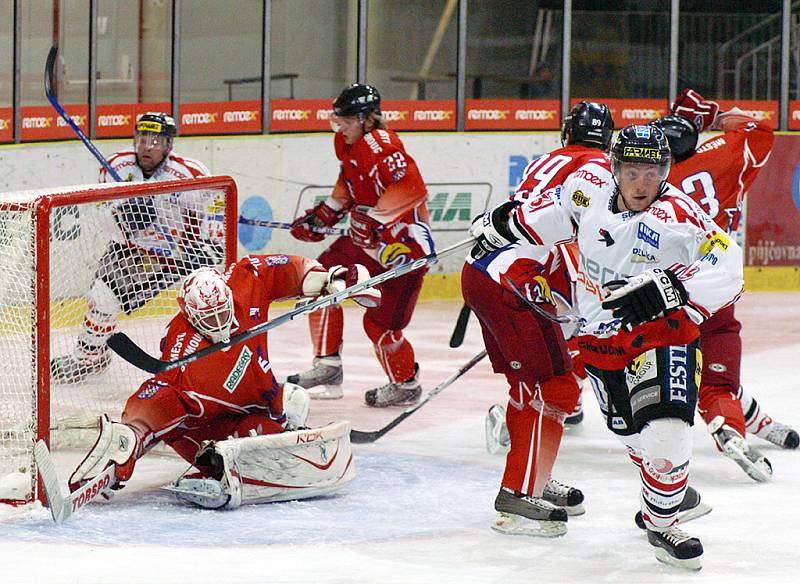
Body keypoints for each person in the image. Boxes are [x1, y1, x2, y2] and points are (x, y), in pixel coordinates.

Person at [470, 124, 744, 570]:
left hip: (665, 336)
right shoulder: (588, 186)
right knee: (631, 434)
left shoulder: (681, 217)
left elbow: (728, 264)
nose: (642, 183)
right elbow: (552, 215)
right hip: (599, 339)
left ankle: (661, 521)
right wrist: (504, 226)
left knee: (666, 431)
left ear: (667, 170)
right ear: (615, 168)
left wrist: (671, 288)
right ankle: (665, 488)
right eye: (632, 170)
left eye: (653, 171)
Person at [67, 255, 380, 509]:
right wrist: (135, 435)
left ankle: (262, 445)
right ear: (189, 315)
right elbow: (160, 394)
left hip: (258, 402)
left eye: (223, 314)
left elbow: (292, 270)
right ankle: (194, 459)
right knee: (238, 443)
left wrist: (330, 279)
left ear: (229, 297)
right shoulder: (183, 350)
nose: (220, 325)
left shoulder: (245, 282)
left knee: (295, 400)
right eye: (209, 319)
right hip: (206, 428)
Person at [465, 102, 614, 538]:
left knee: (527, 385)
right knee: (557, 387)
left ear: (567, 133)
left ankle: (535, 473)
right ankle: (517, 494)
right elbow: (577, 241)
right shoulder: (600, 170)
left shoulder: (546, 161)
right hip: (514, 282)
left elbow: (531, 224)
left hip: (487, 275)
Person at [653, 89, 798, 482]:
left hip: (663, 290)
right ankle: (736, 421)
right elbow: (760, 130)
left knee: (612, 346)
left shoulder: (648, 184)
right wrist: (713, 116)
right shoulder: (721, 155)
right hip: (715, 280)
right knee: (717, 372)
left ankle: (560, 388)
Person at [288, 83, 434, 407]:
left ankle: (405, 383)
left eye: (346, 120)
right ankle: (328, 366)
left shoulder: (384, 146)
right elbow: (348, 186)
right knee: (320, 278)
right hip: (364, 242)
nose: (339, 126)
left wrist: (375, 219)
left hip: (402, 249)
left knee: (380, 326)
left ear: (367, 119)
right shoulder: (346, 142)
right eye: (337, 119)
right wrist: (323, 217)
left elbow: (412, 190)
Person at [51, 112, 222, 383]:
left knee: (203, 304)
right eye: (143, 139)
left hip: (177, 253)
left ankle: (214, 359)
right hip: (132, 247)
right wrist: (124, 217)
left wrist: (211, 235)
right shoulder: (116, 166)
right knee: (102, 296)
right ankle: (90, 358)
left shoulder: (189, 173)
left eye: (156, 141)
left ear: (168, 145)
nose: (147, 147)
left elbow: (217, 200)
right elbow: (103, 214)